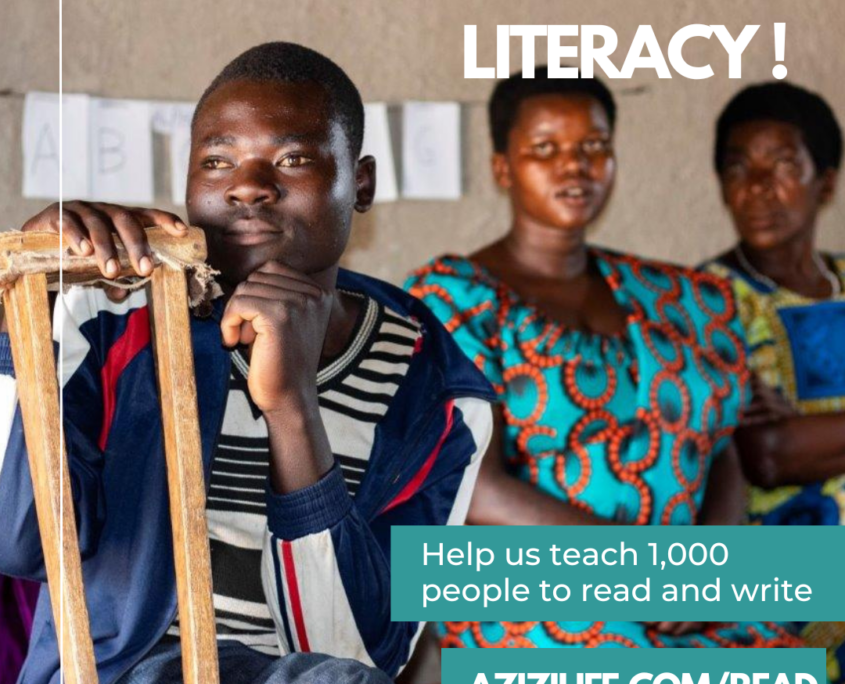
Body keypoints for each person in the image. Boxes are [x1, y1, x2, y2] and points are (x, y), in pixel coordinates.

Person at [0, 42, 494, 684]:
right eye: (217, 161)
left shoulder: (436, 393)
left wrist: (292, 408)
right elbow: (18, 539)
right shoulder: (111, 311)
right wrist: (23, 316)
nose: (248, 185)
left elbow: (364, 654)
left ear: (361, 183)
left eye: (292, 159)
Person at [404, 67, 801, 650]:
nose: (575, 166)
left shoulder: (678, 296)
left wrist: (710, 572)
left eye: (594, 145)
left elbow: (724, 445)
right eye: (545, 149)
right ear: (502, 168)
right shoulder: (453, 299)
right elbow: (472, 486)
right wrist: (643, 570)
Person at [702, 81, 845, 683]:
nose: (759, 187)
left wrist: (810, 432)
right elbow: (767, 454)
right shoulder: (704, 302)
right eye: (739, 168)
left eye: (783, 165)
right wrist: (791, 440)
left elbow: (793, 443)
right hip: (772, 601)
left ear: (826, 183)